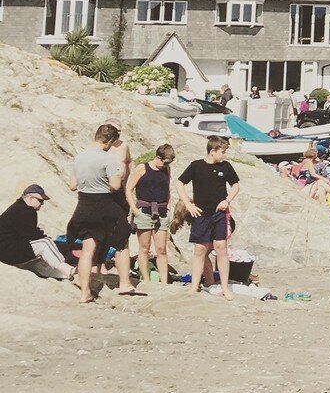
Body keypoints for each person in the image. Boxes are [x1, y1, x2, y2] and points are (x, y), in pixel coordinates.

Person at [67, 123, 136, 303]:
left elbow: (73, 185)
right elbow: (114, 185)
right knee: (122, 240)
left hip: (83, 205)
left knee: (87, 249)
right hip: (104, 205)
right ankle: (125, 283)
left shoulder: (80, 157)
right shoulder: (107, 159)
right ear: (111, 141)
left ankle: (85, 293)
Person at [177, 137, 240, 299]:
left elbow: (236, 185)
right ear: (212, 151)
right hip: (201, 213)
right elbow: (179, 183)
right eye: (222, 152)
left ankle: (225, 287)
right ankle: (194, 286)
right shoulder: (196, 166)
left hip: (219, 213)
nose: (224, 155)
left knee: (221, 248)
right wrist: (188, 204)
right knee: (200, 249)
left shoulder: (225, 167)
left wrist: (227, 200)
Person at [126, 144, 176, 288]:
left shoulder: (166, 169)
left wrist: (168, 207)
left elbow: (167, 190)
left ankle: (164, 282)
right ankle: (146, 280)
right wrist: (134, 210)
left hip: (161, 211)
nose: (166, 165)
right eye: (165, 162)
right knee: (144, 248)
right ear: (158, 157)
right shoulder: (142, 168)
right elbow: (129, 189)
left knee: (161, 249)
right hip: (144, 210)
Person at [0, 185, 72, 280]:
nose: (42, 204)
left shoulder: (17, 208)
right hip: (10, 250)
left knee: (38, 262)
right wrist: (45, 237)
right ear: (30, 198)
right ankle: (66, 268)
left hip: (6, 254)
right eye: (40, 201)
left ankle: (63, 275)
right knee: (45, 243)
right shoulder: (25, 210)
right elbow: (32, 234)